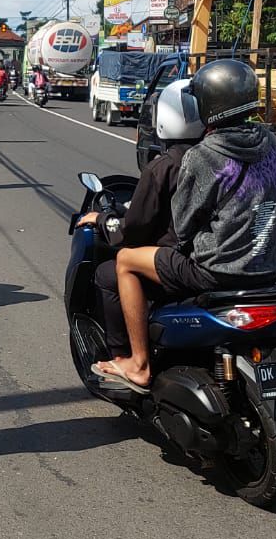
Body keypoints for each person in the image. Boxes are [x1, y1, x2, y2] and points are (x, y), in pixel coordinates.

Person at [92, 60, 276, 392]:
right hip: (270, 270)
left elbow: (184, 227)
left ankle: (138, 364)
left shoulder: (204, 155)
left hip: (216, 273)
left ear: (208, 105)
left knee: (125, 260)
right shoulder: (270, 142)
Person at [77, 78, 202, 367]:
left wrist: (104, 219)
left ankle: (127, 357)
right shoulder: (218, 158)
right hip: (221, 259)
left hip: (184, 263)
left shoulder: (164, 166)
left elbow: (134, 229)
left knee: (108, 273)